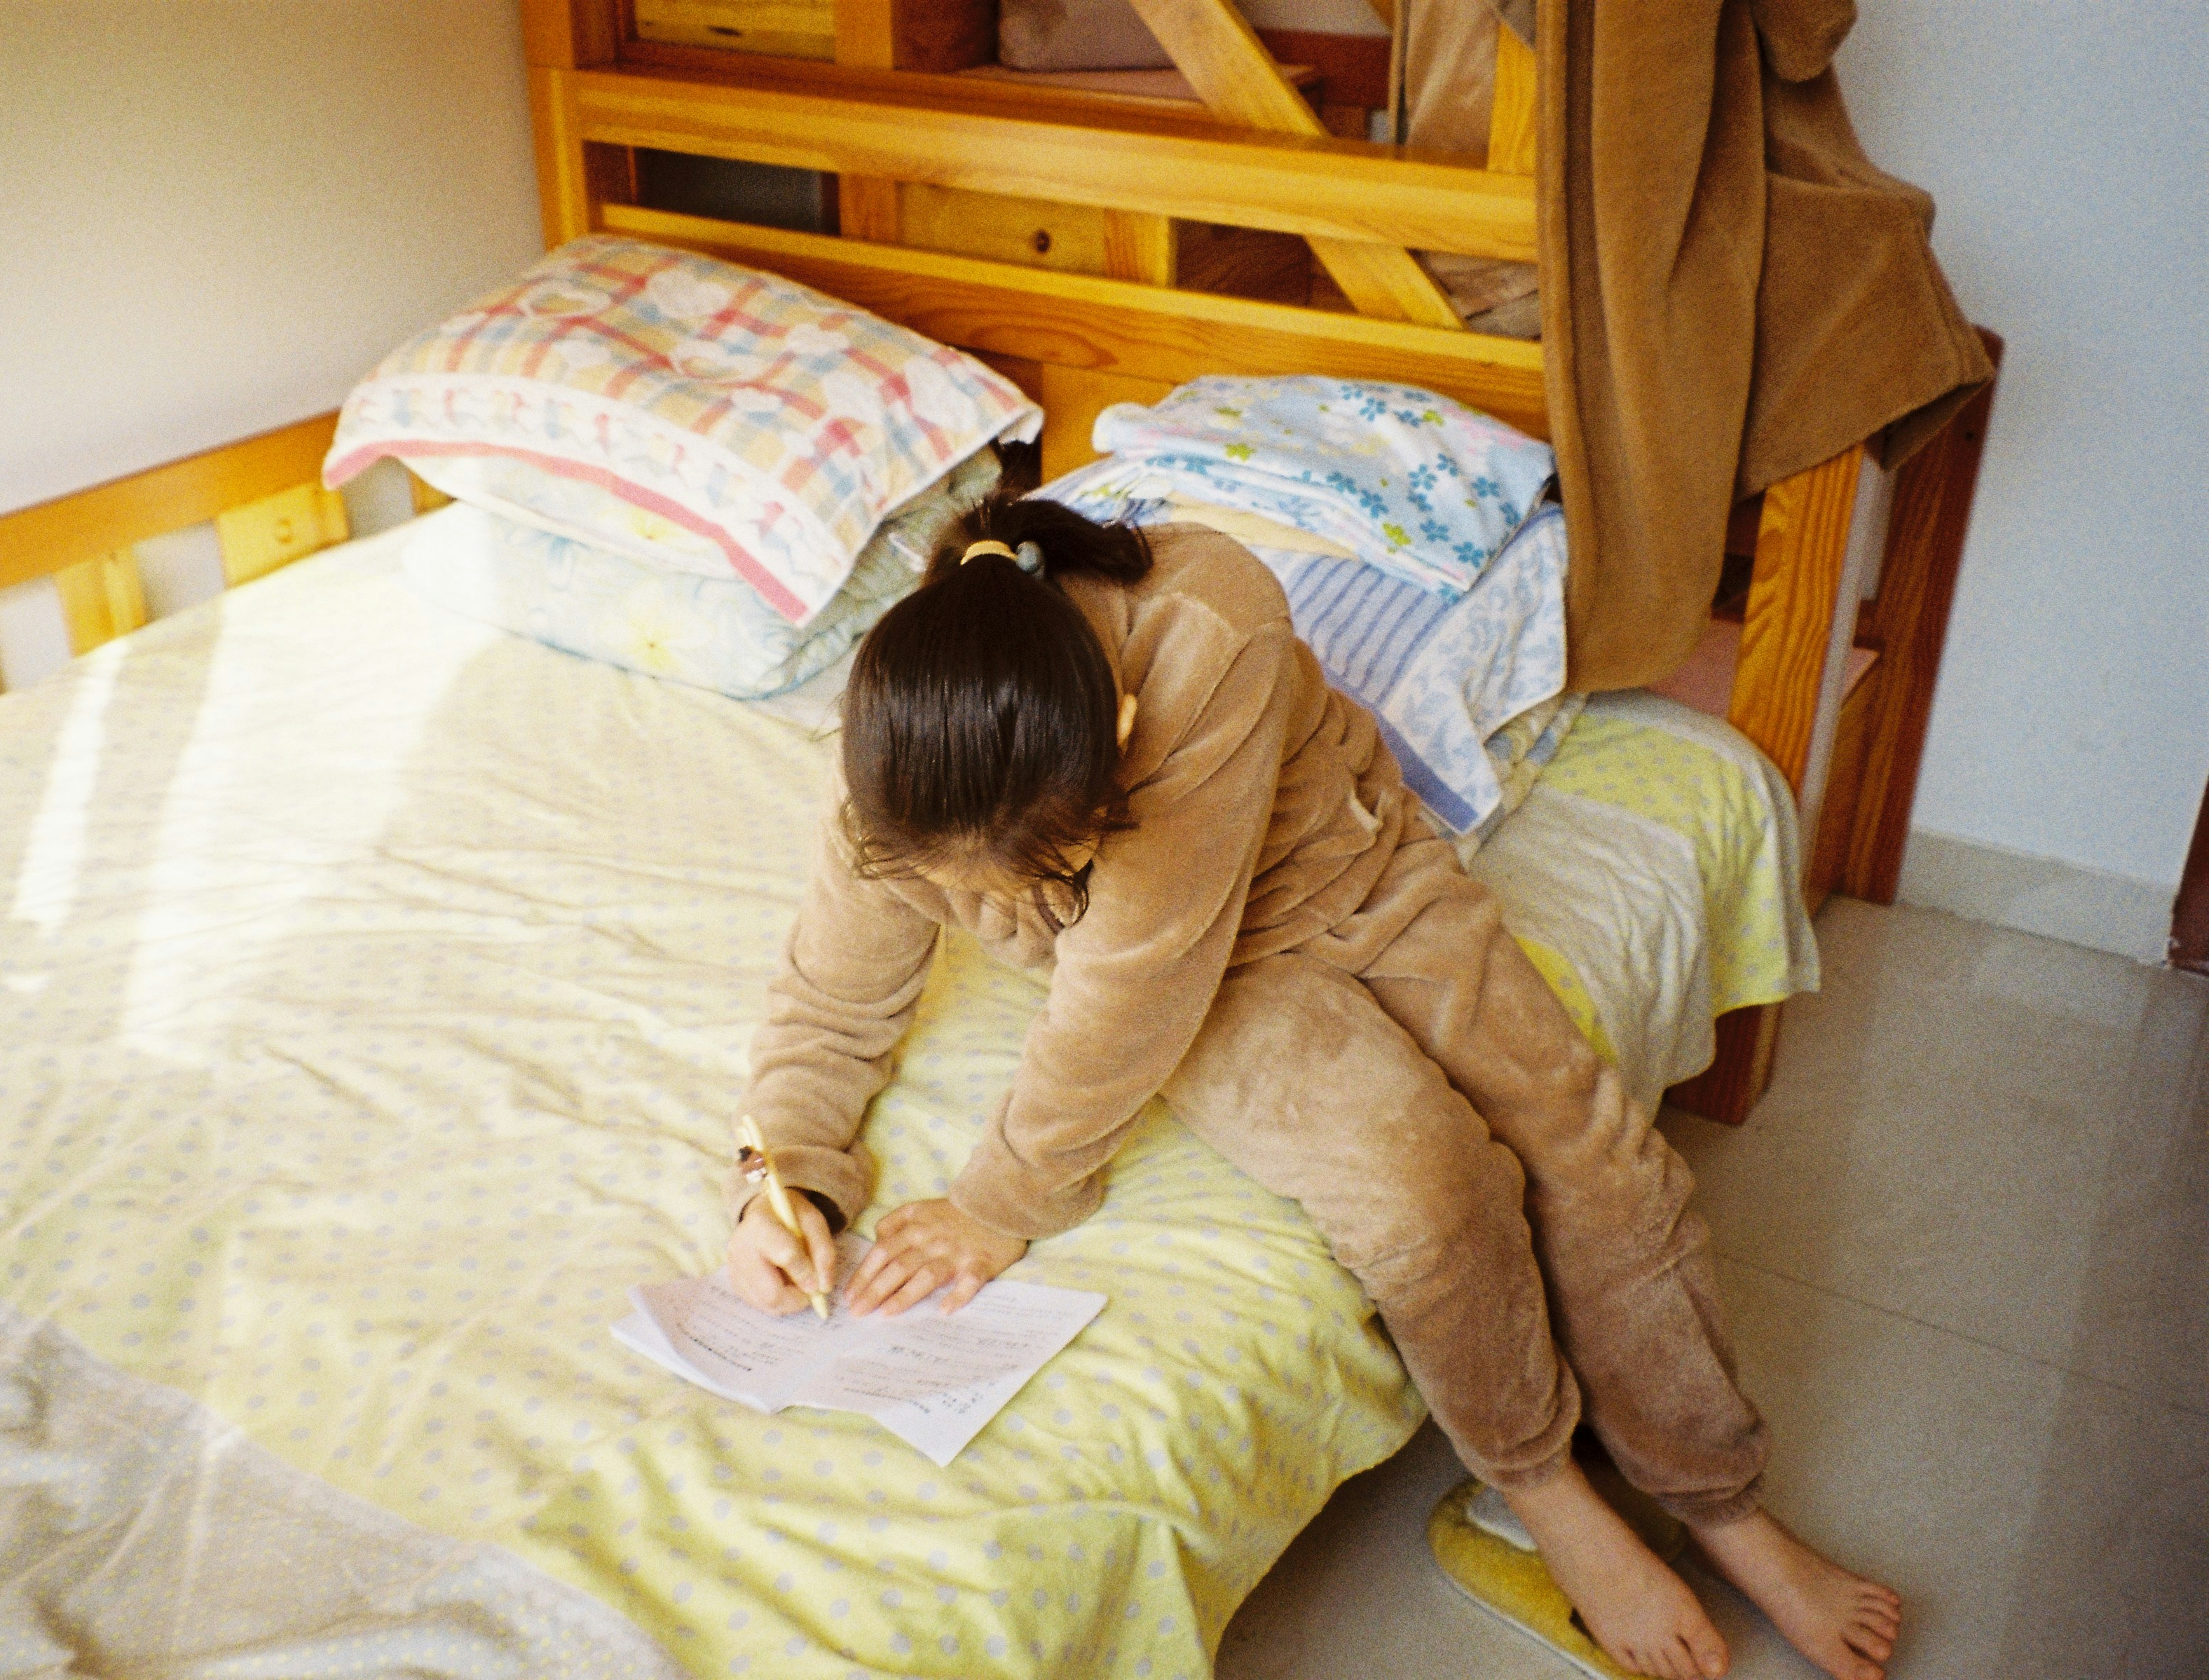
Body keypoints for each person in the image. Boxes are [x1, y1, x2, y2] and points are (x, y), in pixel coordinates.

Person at [725, 492, 1901, 1680]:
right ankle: (1543, 1491)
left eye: (1043, 871)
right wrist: (788, 1177)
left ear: (1114, 731)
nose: (1000, 909)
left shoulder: (1207, 618)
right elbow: (834, 993)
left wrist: (1000, 1200)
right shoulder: (901, 763)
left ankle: (1719, 1501)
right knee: (1423, 1192)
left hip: (1355, 885)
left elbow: (1127, 977)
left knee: (1588, 1145)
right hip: (1220, 988)